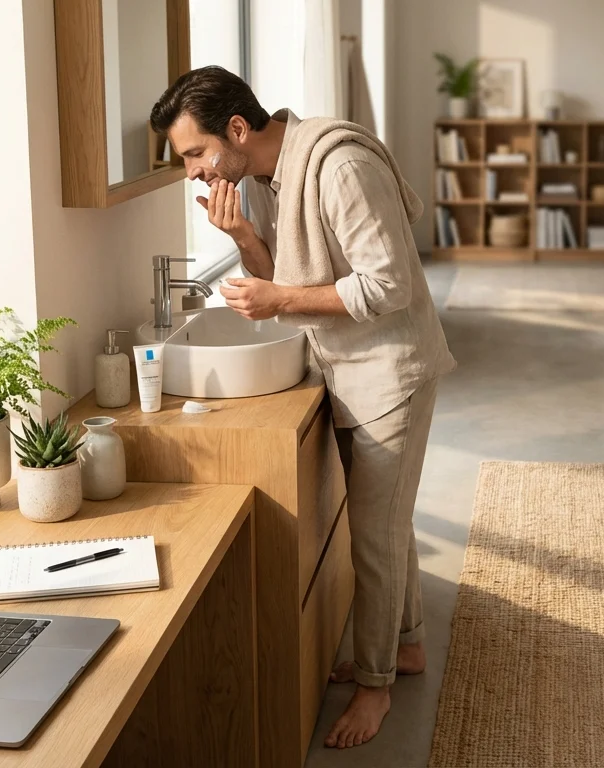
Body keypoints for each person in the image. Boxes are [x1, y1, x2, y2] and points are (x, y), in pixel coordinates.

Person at [150, 66, 455, 749]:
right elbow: (282, 278)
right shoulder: (264, 180)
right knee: (389, 523)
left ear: (236, 129)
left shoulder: (339, 165)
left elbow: (389, 286)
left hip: (390, 370)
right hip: (348, 365)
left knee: (373, 539)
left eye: (196, 154)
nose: (195, 172)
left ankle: (375, 688)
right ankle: (405, 648)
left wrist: (279, 300)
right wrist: (244, 242)